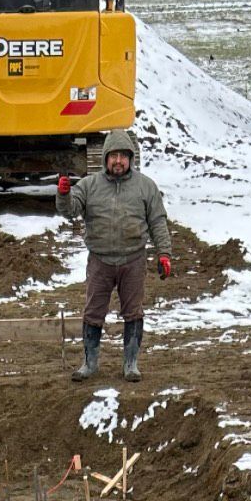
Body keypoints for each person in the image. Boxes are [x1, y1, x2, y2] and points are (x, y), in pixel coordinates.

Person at [56, 130, 173, 384]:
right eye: (113, 156)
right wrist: (64, 195)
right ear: (105, 158)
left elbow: (158, 222)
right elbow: (70, 210)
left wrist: (164, 253)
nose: (118, 161)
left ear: (130, 159)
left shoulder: (146, 186)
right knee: (93, 312)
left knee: (133, 312)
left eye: (123, 156)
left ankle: (131, 363)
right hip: (100, 261)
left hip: (133, 260)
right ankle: (90, 362)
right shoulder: (89, 185)